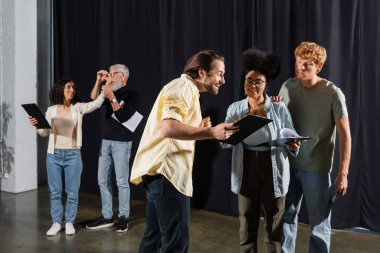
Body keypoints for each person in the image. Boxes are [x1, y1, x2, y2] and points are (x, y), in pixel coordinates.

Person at [130, 50, 237, 253]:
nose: (223, 80)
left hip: (159, 175)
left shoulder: (187, 90)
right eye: (220, 73)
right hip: (169, 174)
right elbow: (168, 128)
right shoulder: (183, 88)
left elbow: (174, 127)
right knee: (176, 244)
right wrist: (210, 131)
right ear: (203, 72)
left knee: (153, 239)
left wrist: (198, 126)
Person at [221, 49, 300, 253]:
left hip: (272, 164)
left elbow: (291, 136)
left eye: (258, 82)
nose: (253, 85)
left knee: (275, 219)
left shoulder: (279, 108)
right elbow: (225, 143)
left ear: (266, 84)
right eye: (249, 81)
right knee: (247, 218)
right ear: (243, 82)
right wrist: (231, 131)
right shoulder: (235, 109)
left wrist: (293, 144)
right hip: (246, 164)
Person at [279, 42, 352, 253]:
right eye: (298, 62)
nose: (300, 68)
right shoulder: (287, 87)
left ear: (318, 67)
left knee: (319, 226)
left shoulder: (333, 94)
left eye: (307, 65)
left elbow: (345, 136)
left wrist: (343, 174)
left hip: (317, 169)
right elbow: (279, 123)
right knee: (285, 219)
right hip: (288, 165)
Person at [28, 79, 113, 236]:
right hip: (53, 155)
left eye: (73, 87)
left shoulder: (77, 108)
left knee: (72, 192)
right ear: (61, 90)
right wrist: (36, 124)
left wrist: (104, 88)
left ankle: (69, 222)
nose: (72, 90)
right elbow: (44, 133)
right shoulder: (51, 110)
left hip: (73, 155)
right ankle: (56, 223)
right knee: (55, 192)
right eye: (68, 87)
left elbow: (95, 104)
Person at [86, 64, 141, 233]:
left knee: (121, 181)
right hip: (106, 141)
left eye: (112, 74)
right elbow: (93, 98)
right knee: (102, 179)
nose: (109, 77)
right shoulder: (110, 90)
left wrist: (112, 97)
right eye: (108, 74)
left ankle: (123, 217)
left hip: (122, 142)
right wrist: (98, 81)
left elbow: (124, 117)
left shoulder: (132, 94)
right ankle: (107, 216)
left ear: (123, 76)